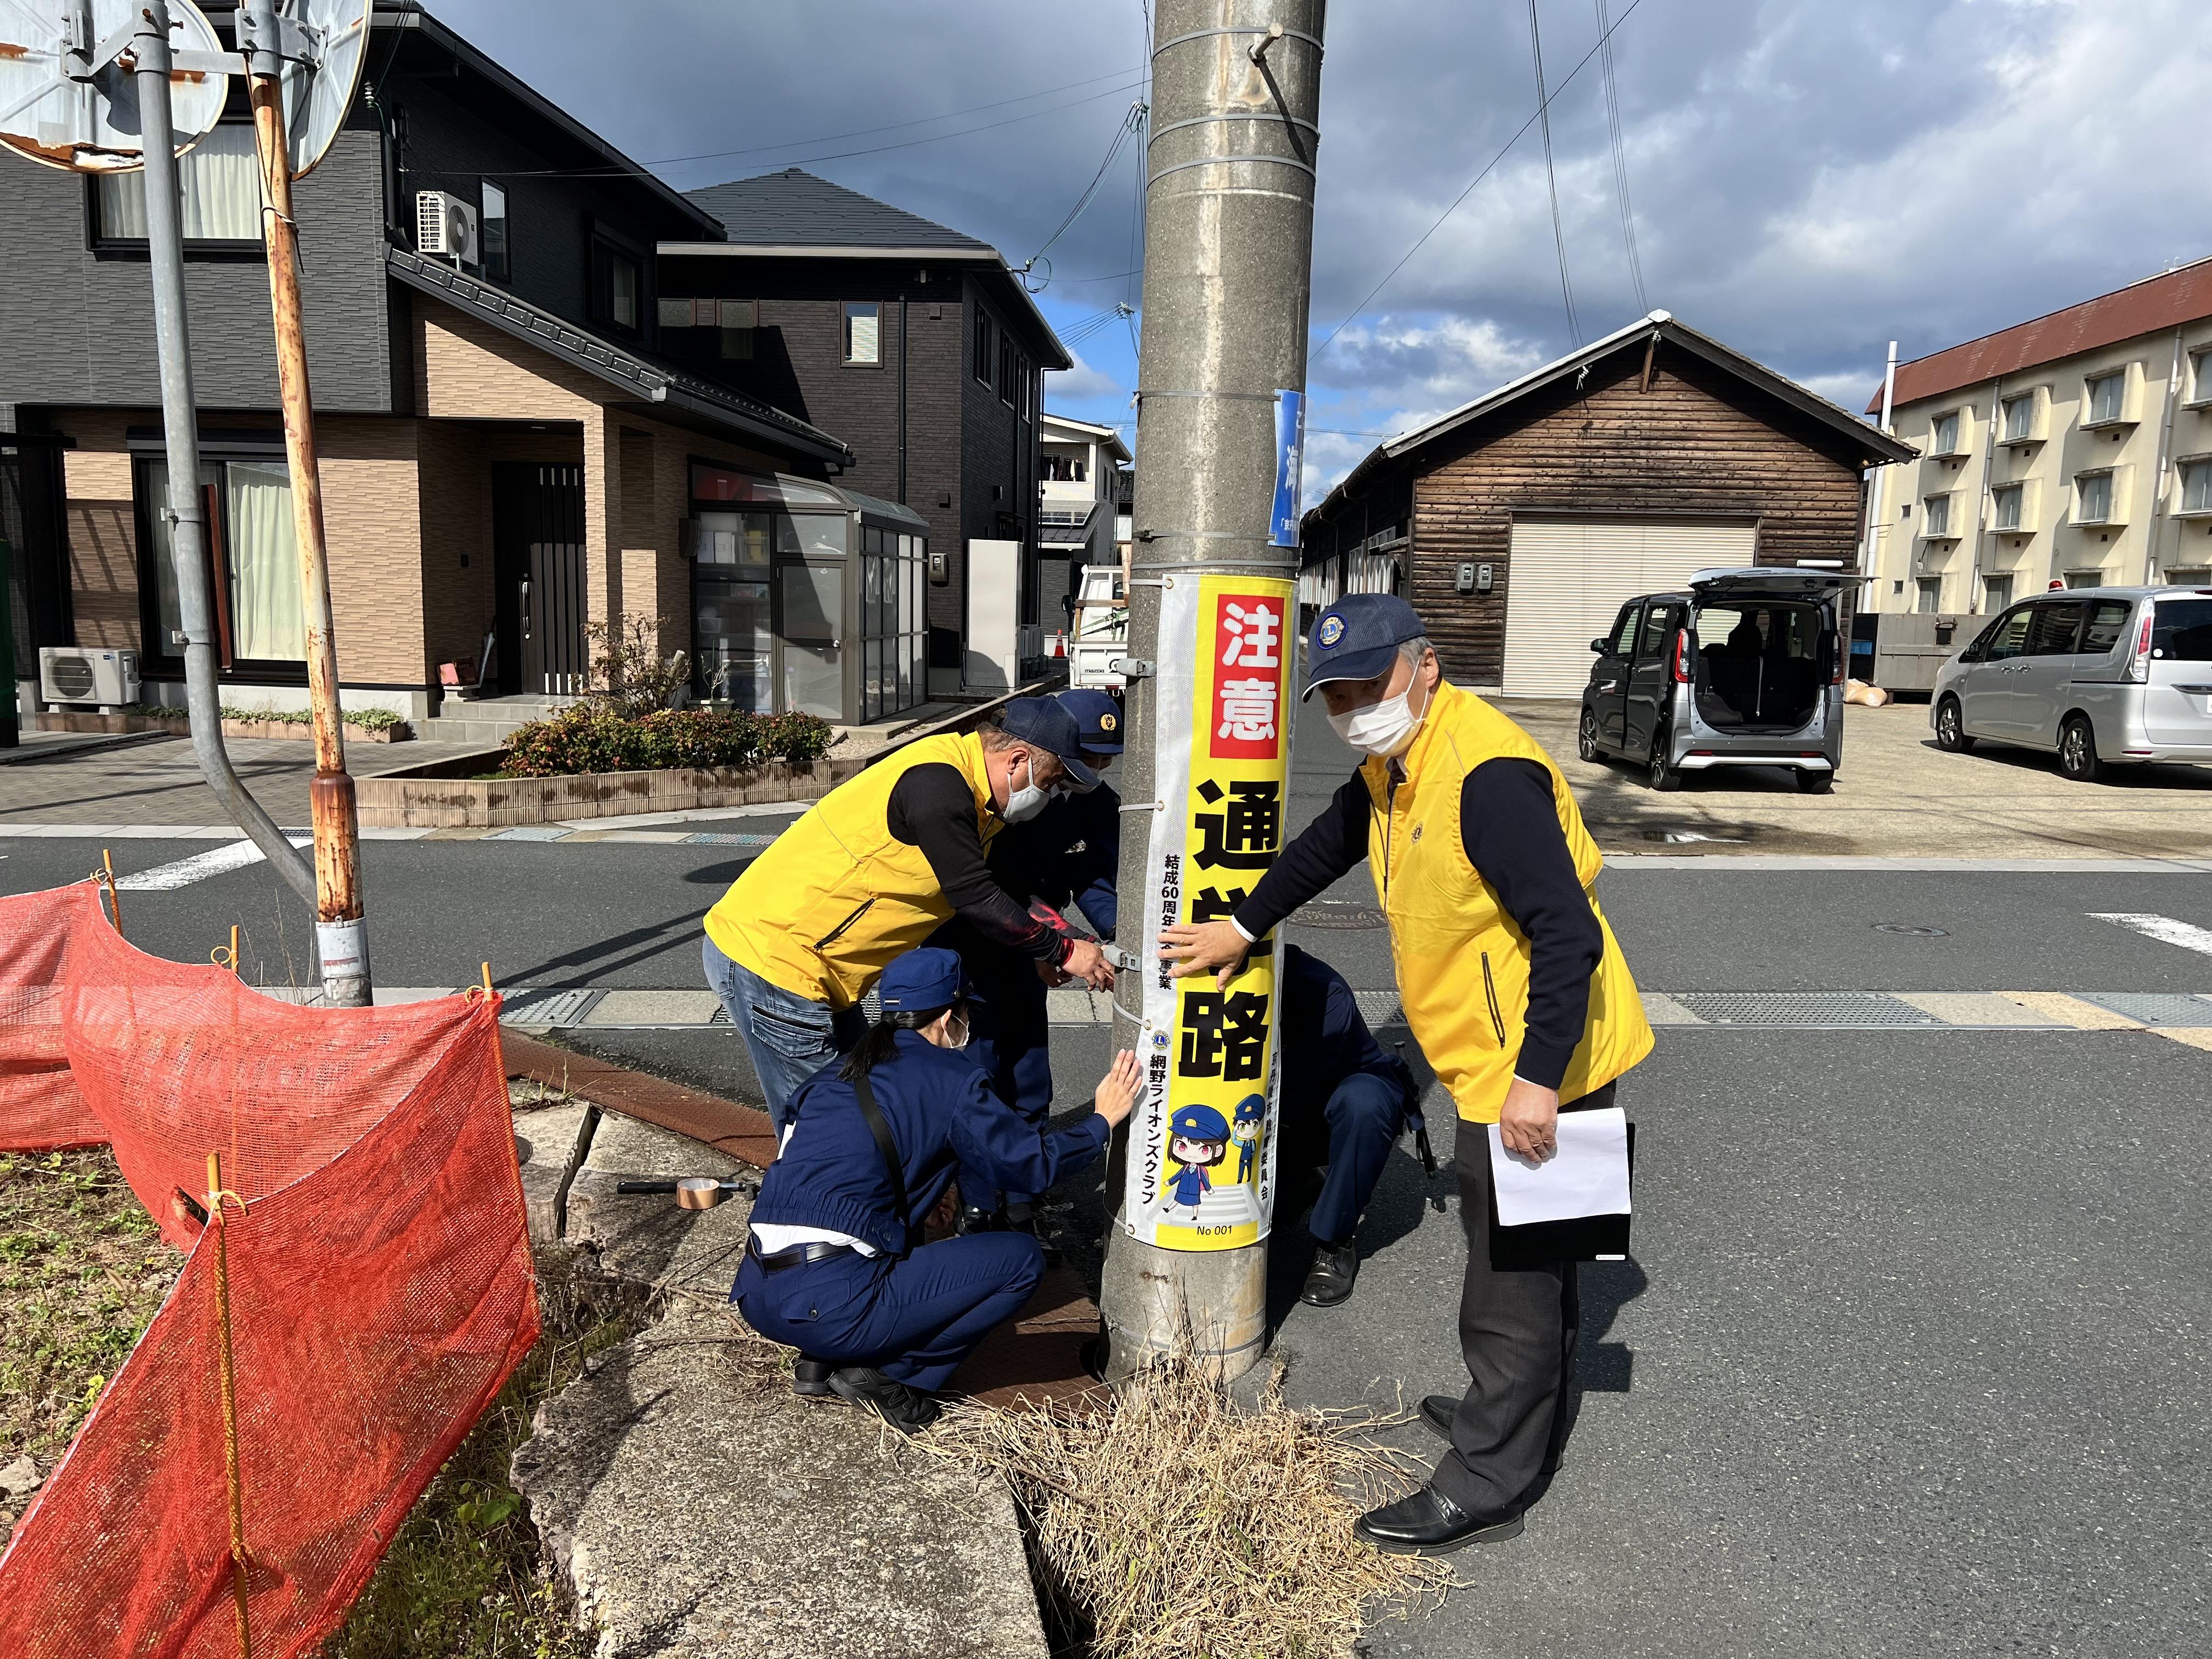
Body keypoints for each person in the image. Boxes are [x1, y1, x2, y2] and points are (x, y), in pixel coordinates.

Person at [1160, 592, 1654, 1555]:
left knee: (1511, 1283)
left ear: (1425, 665)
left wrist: (1537, 1080)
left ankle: (1486, 1480)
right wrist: (1242, 925)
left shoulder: (1486, 777)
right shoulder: (1397, 767)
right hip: (1501, 1052)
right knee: (1542, 1262)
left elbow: (1567, 934)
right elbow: (1324, 844)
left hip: (1535, 1061)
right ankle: (1518, 1417)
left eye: (1369, 682)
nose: (1353, 707)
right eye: (1335, 694)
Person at [732, 946, 1140, 1432]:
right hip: (832, 1304)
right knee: (1020, 1261)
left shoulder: (835, 1073)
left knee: (894, 1241)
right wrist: (1100, 1120)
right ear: (951, 1018)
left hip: (758, 1295)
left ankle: (822, 1358)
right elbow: (1031, 1166)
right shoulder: (953, 1078)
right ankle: (888, 1377)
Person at [702, 697, 1116, 1131]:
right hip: (774, 963)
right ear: (1016, 761)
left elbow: (1000, 889)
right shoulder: (939, 786)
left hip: (820, 971)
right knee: (827, 1131)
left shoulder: (979, 796)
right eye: (1050, 783)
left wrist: (1057, 943)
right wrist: (1063, 951)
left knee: (869, 1105)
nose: (1048, 796)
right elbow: (974, 895)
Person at [938, 687, 1124, 1234]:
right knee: (978, 1071)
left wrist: (1114, 936)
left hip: (1035, 948)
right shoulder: (1005, 792)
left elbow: (1095, 876)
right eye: (1085, 759)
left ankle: (1024, 1198)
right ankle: (976, 1202)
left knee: (1028, 1074)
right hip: (972, 943)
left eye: (1104, 762)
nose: (1093, 773)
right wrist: (1061, 940)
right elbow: (988, 889)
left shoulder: (1096, 803)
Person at [1271, 943, 1424, 1310]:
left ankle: (1334, 1241)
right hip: (1282, 1106)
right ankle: (1299, 1183)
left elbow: (1296, 1096)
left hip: (1330, 1102)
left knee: (1364, 1104)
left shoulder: (1322, 991)